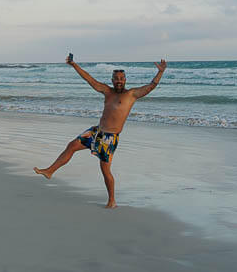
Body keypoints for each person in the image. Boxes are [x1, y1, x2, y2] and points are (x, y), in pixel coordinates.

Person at [34, 54, 168, 208]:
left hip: (110, 138)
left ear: (125, 80)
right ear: (112, 80)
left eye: (121, 78)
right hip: (96, 132)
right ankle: (50, 171)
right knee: (72, 145)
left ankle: (112, 201)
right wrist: (74, 64)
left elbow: (151, 86)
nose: (119, 81)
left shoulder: (131, 94)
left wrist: (160, 72)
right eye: (116, 78)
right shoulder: (107, 91)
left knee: (105, 170)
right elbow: (89, 79)